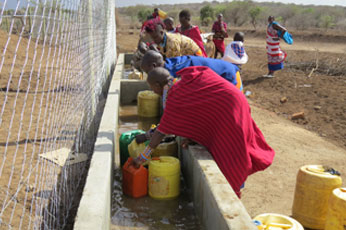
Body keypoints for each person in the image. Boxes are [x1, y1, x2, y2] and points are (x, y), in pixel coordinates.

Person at [132, 66, 275, 197]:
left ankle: (232, 194)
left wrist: (142, 157)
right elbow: (199, 112)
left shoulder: (175, 96)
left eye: (152, 88)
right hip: (235, 98)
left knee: (231, 151)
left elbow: (161, 131)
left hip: (230, 108)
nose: (153, 91)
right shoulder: (183, 82)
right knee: (238, 145)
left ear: (158, 85)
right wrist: (193, 137)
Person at [141, 50, 243, 91]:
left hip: (229, 76)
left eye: (147, 72)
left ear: (154, 66)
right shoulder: (169, 65)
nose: (148, 76)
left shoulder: (176, 72)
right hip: (225, 74)